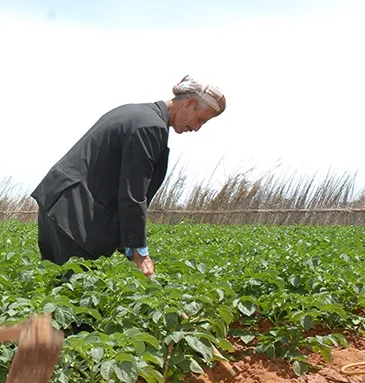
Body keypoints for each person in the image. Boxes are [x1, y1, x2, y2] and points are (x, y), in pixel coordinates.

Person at [30, 75, 227, 277]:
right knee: (78, 294)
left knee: (56, 287)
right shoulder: (150, 127)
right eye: (200, 119)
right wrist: (139, 251)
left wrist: (126, 245)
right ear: (190, 102)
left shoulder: (136, 113)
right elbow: (133, 193)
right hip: (75, 216)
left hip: (58, 204)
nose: (196, 128)